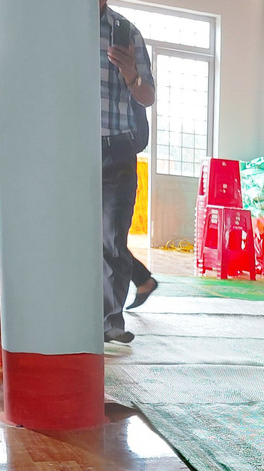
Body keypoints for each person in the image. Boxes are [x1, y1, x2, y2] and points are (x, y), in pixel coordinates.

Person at [99, 0, 156, 344]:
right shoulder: (60, 27)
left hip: (116, 150)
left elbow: (147, 96)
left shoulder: (127, 32)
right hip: (69, 150)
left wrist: (131, 73)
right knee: (77, 238)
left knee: (112, 239)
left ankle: (110, 322)